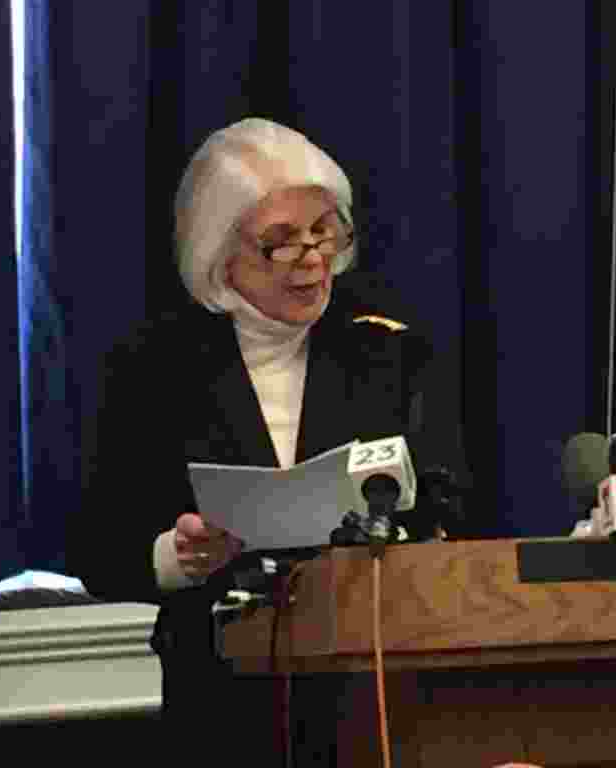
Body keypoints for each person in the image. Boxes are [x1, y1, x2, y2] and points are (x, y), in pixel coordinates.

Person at [71, 117, 465, 760]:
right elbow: (96, 546)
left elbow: (454, 505)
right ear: (218, 253)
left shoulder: (392, 355)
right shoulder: (153, 369)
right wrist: (176, 556)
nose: (311, 258)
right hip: (223, 692)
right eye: (279, 242)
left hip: (372, 684)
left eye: (323, 232)